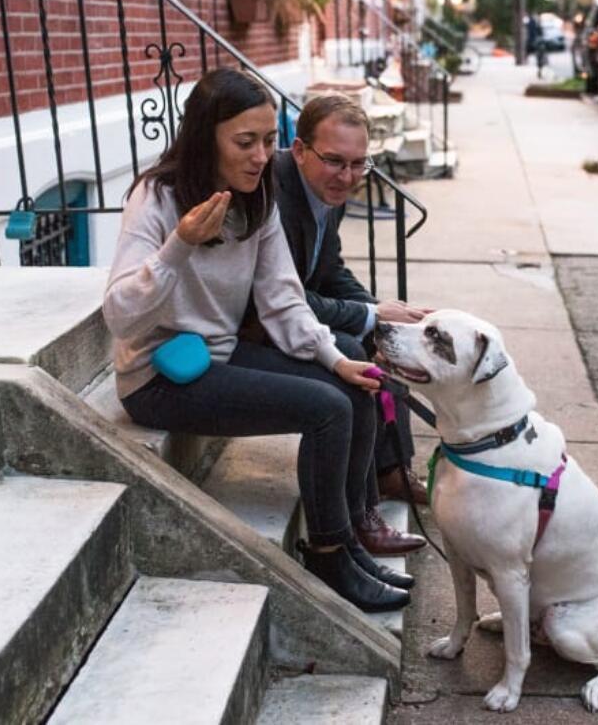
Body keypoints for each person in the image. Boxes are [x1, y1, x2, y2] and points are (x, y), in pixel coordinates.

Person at [103, 69, 410, 613]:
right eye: (245, 142)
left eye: (269, 141)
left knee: (354, 382)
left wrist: (337, 359)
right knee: (324, 410)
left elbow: (283, 300)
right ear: (206, 137)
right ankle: (329, 555)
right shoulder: (157, 197)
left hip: (218, 355)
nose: (261, 156)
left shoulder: (258, 197)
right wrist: (180, 245)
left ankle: (352, 538)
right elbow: (121, 316)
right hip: (159, 375)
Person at [269, 93, 431, 555]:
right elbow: (288, 298)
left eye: (359, 164)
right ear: (299, 150)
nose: (348, 176)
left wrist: (380, 311)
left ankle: (392, 470)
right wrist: (371, 314)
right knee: (355, 348)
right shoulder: (276, 198)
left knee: (385, 335)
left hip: (298, 312)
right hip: (261, 325)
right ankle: (359, 512)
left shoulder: (327, 188)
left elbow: (331, 270)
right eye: (336, 161)